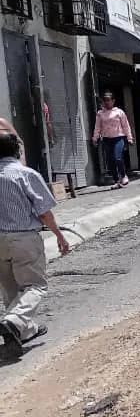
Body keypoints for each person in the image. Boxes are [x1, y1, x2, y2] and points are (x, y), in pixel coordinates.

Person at [0, 127, 69, 360]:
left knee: (11, 289)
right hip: (23, 238)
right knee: (35, 286)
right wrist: (59, 235)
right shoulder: (25, 174)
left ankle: (22, 332)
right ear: (17, 150)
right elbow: (44, 213)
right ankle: (14, 321)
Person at [92, 91, 134, 189]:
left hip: (118, 138)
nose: (106, 102)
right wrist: (95, 138)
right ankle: (116, 180)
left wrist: (129, 138)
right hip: (106, 139)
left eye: (108, 100)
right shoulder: (100, 113)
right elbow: (97, 127)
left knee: (117, 157)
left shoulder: (119, 112)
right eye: (105, 100)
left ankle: (123, 175)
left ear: (113, 101)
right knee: (110, 161)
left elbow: (125, 125)